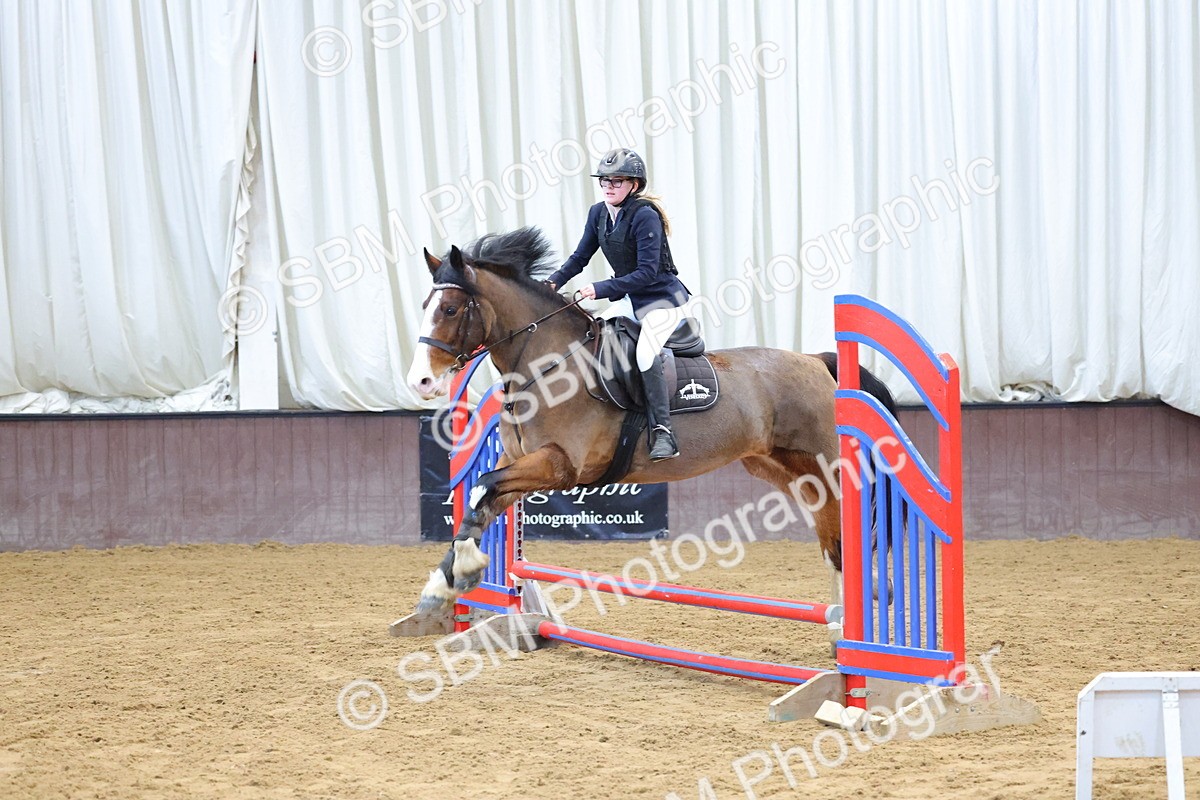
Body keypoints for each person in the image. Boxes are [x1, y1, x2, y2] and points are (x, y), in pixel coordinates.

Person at [545, 148, 690, 461]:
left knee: (644, 353)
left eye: (617, 180)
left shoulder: (644, 215)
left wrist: (600, 288)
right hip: (630, 299)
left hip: (663, 301)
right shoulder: (598, 213)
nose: (608, 186)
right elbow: (580, 257)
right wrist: (553, 281)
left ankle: (662, 431)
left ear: (634, 185)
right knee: (593, 338)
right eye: (604, 181)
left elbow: (648, 272)